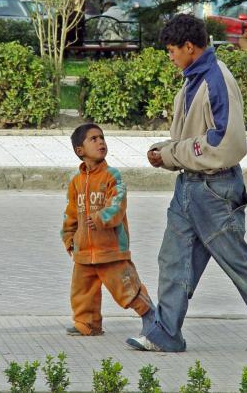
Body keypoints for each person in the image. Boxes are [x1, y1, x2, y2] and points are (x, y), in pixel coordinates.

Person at [126, 14, 247, 353]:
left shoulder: (217, 79)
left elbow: (224, 145)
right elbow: (194, 137)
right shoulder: (194, 77)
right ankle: (166, 334)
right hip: (190, 185)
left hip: (215, 190)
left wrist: (171, 153)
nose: (170, 56)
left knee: (237, 261)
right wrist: (168, 153)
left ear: (190, 47)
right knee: (173, 260)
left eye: (173, 50)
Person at [62, 123, 155, 337]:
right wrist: (69, 238)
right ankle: (87, 323)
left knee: (127, 288)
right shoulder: (75, 182)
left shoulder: (112, 176)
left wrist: (101, 217)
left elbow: (117, 204)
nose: (100, 142)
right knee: (82, 291)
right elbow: (70, 213)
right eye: (93, 139)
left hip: (110, 249)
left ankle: (151, 318)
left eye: (102, 138)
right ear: (80, 151)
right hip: (84, 251)